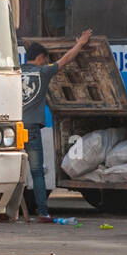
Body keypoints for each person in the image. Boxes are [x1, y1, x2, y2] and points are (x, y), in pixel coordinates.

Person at [23, 29, 92, 222]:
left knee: (11, 171)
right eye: (45, 59)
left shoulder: (15, 72)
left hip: (12, 129)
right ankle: (43, 213)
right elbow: (66, 59)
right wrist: (81, 43)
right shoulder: (43, 72)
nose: (46, 62)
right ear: (40, 58)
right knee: (37, 172)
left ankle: (2, 211)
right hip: (31, 130)